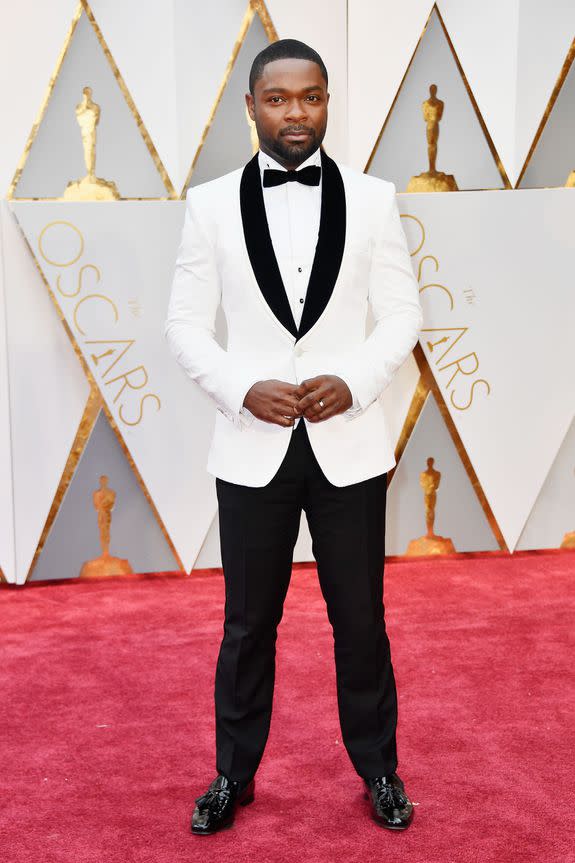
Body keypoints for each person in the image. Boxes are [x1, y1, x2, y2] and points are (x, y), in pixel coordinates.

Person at [164, 38, 423, 835]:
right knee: (248, 623)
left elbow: (403, 312)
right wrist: (244, 387)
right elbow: (183, 325)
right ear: (252, 107)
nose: (296, 113)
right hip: (251, 446)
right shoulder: (209, 205)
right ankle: (231, 775)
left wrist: (356, 379)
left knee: (361, 617)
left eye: (310, 98)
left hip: (347, 442)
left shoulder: (375, 199)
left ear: (325, 104)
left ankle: (379, 769)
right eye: (278, 99)